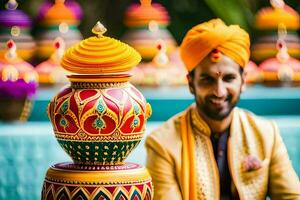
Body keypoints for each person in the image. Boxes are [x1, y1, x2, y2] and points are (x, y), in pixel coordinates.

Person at [145, 19, 300, 200]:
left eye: (228, 78)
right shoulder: (162, 144)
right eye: (207, 79)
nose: (219, 91)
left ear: (243, 81)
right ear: (190, 83)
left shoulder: (266, 134)